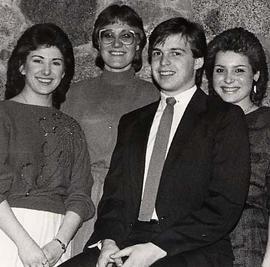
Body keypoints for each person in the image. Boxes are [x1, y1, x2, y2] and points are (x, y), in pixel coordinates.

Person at [60, 17, 250, 267]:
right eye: (158, 53)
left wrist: (156, 249)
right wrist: (108, 241)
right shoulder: (132, 122)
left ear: (199, 60)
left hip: (190, 248)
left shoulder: (224, 118)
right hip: (127, 240)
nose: (164, 62)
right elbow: (114, 198)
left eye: (176, 53)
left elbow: (224, 205)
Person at [61, 4, 159, 254]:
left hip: (132, 201)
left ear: (138, 45)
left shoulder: (154, 96)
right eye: (108, 34)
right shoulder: (74, 94)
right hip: (83, 201)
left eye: (126, 35)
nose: (117, 43)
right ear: (97, 42)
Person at [0, 23, 95, 267]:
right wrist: (24, 244)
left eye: (56, 62)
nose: (46, 70)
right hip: (8, 234)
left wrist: (59, 244)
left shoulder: (72, 128)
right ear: (21, 66)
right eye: (38, 60)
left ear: (64, 72)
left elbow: (81, 194)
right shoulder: (3, 115)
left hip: (56, 239)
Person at [205, 27, 270, 267]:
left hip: (250, 243)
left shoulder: (266, 124)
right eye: (220, 70)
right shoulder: (199, 125)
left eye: (239, 70)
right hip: (199, 246)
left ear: (256, 74)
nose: (228, 79)